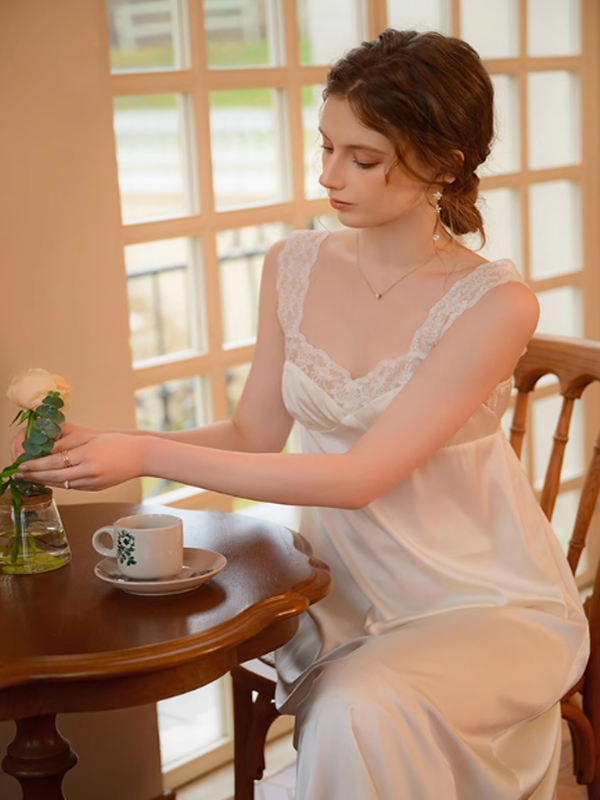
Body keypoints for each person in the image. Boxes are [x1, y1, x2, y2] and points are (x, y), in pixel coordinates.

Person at [16, 29, 588, 800]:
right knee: (362, 709)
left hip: (479, 603)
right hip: (337, 593)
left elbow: (358, 478)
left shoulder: (495, 306)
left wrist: (146, 456)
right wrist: (115, 441)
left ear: (445, 165)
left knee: (365, 707)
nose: (329, 176)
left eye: (363, 157)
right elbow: (255, 432)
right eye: (325, 147)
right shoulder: (293, 264)